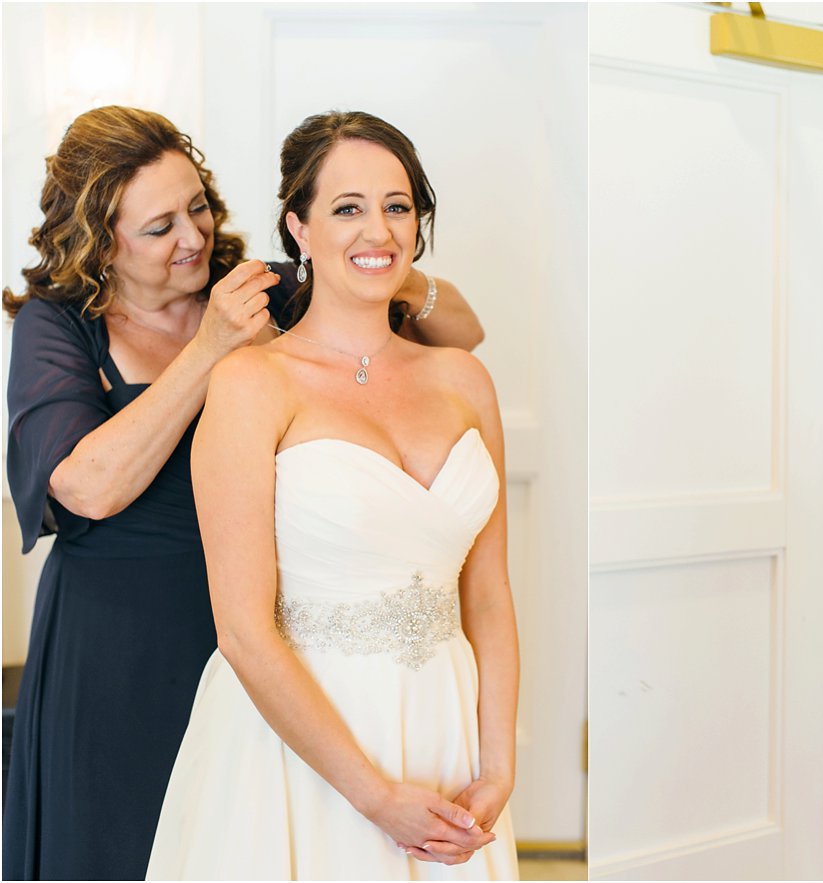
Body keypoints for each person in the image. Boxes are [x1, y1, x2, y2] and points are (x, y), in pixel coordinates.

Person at [2, 105, 481, 881]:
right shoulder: (60, 326)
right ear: (100, 238)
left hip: (258, 626)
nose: (192, 236)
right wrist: (211, 349)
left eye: (197, 205)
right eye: (159, 227)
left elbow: (463, 331)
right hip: (119, 641)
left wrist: (364, 244)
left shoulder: (261, 289)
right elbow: (88, 486)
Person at [142, 110, 519, 879]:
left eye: (397, 204)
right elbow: (244, 630)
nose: (376, 229)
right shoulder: (252, 383)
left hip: (445, 732)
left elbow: (489, 596)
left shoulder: (465, 380)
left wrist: (500, 762)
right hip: (303, 753)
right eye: (346, 207)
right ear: (299, 228)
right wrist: (374, 795)